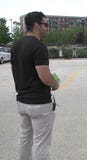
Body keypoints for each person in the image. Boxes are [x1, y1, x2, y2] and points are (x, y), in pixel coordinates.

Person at [11, 11, 59, 160]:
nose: (47, 28)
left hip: (22, 101)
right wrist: (55, 83)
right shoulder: (39, 47)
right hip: (38, 103)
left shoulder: (16, 45)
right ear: (36, 25)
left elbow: (17, 70)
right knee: (41, 142)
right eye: (45, 24)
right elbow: (44, 76)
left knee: (25, 137)